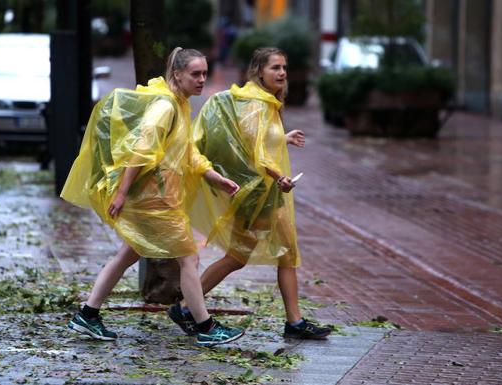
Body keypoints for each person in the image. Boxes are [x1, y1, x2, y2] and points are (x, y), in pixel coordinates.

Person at [60, 48, 245, 346]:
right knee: (189, 258)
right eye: (195, 74)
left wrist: (216, 177)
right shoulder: (165, 108)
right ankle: (205, 327)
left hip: (160, 197)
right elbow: (140, 151)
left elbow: (188, 154)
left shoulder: (180, 105)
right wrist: (121, 194)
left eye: (204, 74)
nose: (201, 80)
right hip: (154, 200)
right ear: (177, 74)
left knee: (127, 254)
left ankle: (87, 315)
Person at [168, 47, 332, 340]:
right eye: (275, 68)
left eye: (284, 67)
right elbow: (254, 152)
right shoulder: (256, 104)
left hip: (268, 192)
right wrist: (278, 175)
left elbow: (251, 140)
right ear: (259, 72)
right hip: (258, 194)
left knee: (287, 254)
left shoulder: (262, 101)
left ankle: (295, 322)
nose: (282, 73)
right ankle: (184, 307)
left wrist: (282, 137)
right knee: (238, 256)